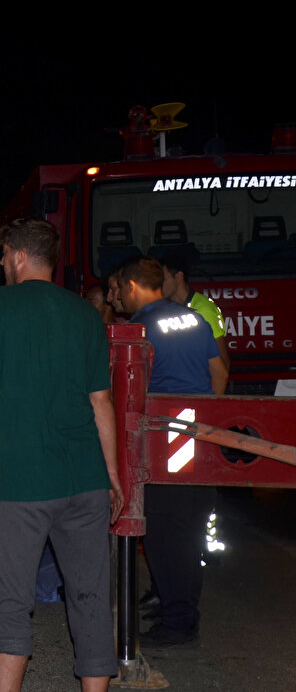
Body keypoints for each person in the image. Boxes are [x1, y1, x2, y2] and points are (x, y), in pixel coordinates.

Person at [0, 218, 123, 692]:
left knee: (11, 600)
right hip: (85, 480)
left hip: (21, 483)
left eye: (3, 255)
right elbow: (102, 402)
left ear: (18, 255)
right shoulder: (85, 314)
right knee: (90, 596)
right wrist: (114, 476)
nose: (0, 264)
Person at [114, 255, 227, 648]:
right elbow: (219, 374)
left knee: (165, 535)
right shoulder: (193, 318)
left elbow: (127, 393)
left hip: (164, 442)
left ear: (131, 286)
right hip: (199, 435)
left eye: (119, 291)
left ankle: (178, 622)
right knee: (190, 531)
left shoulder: (138, 329)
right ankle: (178, 610)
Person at [159, 253, 230, 393]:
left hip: (200, 394)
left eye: (164, 279)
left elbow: (223, 363)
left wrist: (213, 403)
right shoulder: (166, 309)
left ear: (179, 277)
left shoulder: (203, 309)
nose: (159, 285)